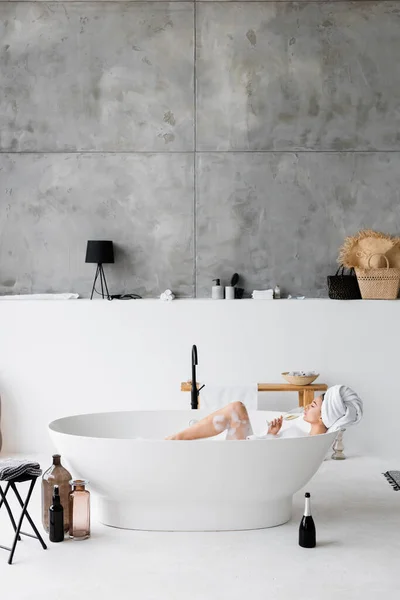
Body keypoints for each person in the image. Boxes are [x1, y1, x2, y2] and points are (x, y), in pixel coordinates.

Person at [166, 384, 363, 441]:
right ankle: (179, 438)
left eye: (312, 406)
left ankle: (177, 439)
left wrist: (269, 438)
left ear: (322, 417)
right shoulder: (302, 436)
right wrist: (270, 435)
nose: (305, 407)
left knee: (236, 408)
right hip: (251, 455)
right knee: (236, 408)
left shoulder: (304, 440)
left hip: (245, 463)